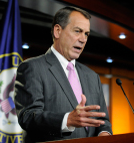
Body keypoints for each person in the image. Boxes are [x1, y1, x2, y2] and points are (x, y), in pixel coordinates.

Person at [14, 6, 112, 143]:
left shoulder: (92, 76)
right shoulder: (32, 67)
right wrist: (67, 120)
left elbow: (103, 121)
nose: (83, 39)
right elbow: (28, 117)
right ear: (58, 31)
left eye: (86, 34)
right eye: (77, 31)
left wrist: (104, 134)